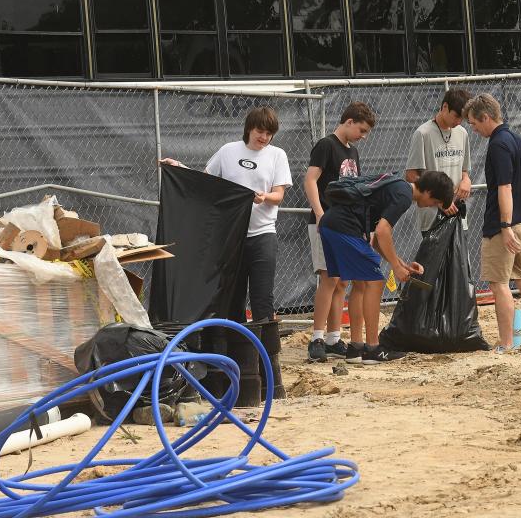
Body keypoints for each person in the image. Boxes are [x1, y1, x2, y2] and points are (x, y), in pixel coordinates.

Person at [161, 106, 292, 323]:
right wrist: (179, 168)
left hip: (263, 235)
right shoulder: (228, 151)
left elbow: (279, 195)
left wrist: (264, 197)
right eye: (260, 131)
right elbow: (206, 182)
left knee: (262, 297)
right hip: (231, 237)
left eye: (269, 134)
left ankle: (268, 355)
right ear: (249, 128)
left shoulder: (278, 155)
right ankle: (236, 352)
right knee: (233, 298)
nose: (264, 137)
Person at [318, 171, 454, 364]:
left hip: (331, 225)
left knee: (361, 284)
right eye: (435, 202)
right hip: (344, 227)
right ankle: (373, 349)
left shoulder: (397, 185)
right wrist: (395, 268)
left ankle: (356, 348)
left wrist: (400, 264)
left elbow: (375, 241)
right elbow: (383, 231)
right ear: (429, 191)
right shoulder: (404, 196)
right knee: (376, 282)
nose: (432, 206)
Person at [463, 93, 521, 352]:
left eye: (474, 123)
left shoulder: (498, 144)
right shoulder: (517, 140)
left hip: (504, 227)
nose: (474, 129)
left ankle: (505, 344)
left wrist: (504, 227)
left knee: (499, 284)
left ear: (485, 117)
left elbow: (504, 188)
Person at [305, 102, 376, 363]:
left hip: (347, 224)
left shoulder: (353, 151)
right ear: (349, 121)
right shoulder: (326, 145)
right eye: (362, 129)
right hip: (327, 222)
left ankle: (334, 338)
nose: (363, 136)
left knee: (342, 280)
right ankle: (317, 338)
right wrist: (321, 213)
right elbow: (310, 179)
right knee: (328, 278)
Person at [405, 88, 472, 233]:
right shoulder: (423, 133)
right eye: (456, 116)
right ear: (445, 107)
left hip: (458, 214)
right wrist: (440, 200)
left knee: (460, 255)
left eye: (463, 118)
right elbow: (411, 175)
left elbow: (464, 170)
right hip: (433, 218)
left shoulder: (462, 133)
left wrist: (466, 180)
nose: (459, 122)